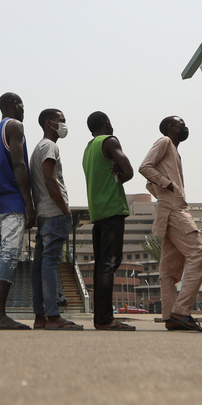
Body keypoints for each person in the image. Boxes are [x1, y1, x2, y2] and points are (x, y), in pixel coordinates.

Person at [138, 116, 202, 331]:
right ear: (171, 128)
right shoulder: (165, 141)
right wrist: (168, 186)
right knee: (199, 254)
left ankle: (171, 316)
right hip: (175, 209)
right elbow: (145, 167)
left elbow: (149, 182)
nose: (185, 128)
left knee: (169, 269)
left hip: (168, 209)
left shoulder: (173, 150)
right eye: (182, 125)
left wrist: (162, 190)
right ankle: (181, 312)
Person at [0, 93, 35, 331]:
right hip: (11, 200)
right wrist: (28, 202)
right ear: (15, 105)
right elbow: (19, 164)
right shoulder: (14, 126)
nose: (24, 110)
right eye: (22, 105)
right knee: (10, 254)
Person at [82, 111, 137, 331]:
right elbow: (129, 171)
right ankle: (105, 319)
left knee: (101, 265)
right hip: (112, 208)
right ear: (107, 123)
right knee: (109, 263)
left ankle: (100, 317)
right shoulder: (109, 141)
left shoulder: (88, 149)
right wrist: (121, 174)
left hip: (97, 212)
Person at [29, 109, 82, 330]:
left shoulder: (37, 148)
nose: (64, 124)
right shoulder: (49, 146)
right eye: (61, 120)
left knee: (40, 265)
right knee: (50, 263)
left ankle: (40, 316)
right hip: (54, 213)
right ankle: (53, 316)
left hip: (43, 214)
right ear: (49, 123)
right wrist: (65, 209)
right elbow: (51, 181)